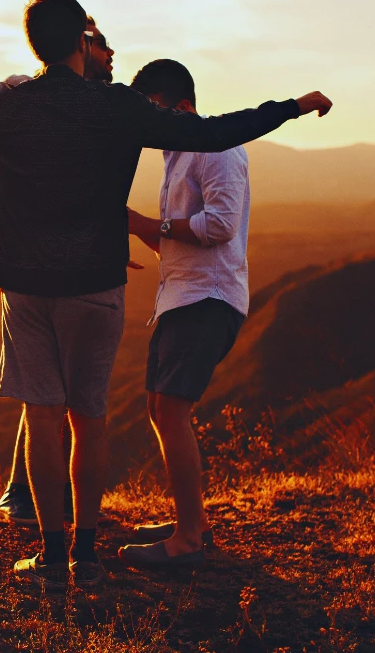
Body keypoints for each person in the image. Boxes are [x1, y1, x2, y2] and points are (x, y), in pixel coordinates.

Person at [0, 0, 331, 590]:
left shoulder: (6, 103)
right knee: (90, 419)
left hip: (29, 287)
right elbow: (215, 133)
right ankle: (87, 554)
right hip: (97, 284)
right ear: (82, 44)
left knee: (44, 419)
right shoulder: (116, 106)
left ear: (36, 43)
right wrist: (291, 106)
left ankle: (53, 558)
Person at [0, 18, 118, 526]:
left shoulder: (88, 108)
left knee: (52, 391)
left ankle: (35, 501)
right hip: (32, 270)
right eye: (102, 43)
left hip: (68, 266)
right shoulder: (27, 102)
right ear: (78, 46)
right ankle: (27, 498)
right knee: (47, 394)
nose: (113, 54)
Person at [119, 59, 259, 568]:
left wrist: (144, 222)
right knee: (160, 407)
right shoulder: (176, 155)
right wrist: (141, 232)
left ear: (179, 107)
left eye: (149, 112)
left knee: (172, 410)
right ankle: (191, 520)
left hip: (209, 297)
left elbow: (220, 225)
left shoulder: (215, 148)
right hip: (181, 295)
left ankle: (187, 542)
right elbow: (182, 238)